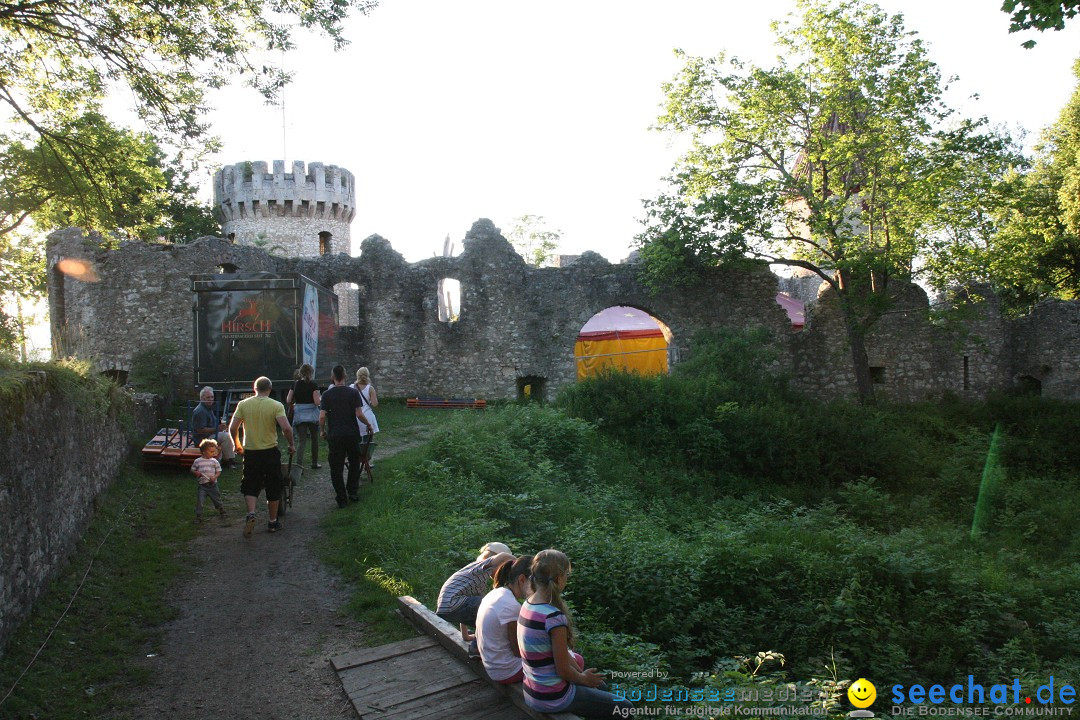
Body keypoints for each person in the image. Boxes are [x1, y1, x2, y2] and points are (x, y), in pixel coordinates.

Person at [518, 549, 633, 718]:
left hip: (532, 690)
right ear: (559, 578)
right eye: (566, 575)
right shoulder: (553, 617)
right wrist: (584, 679)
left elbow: (559, 654)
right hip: (553, 697)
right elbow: (563, 670)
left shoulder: (527, 604)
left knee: (600, 686)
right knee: (625, 708)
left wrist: (581, 674)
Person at [228, 376, 294, 537]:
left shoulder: (243, 404)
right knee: (274, 485)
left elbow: (232, 427)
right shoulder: (276, 405)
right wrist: (291, 444)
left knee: (250, 484)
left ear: (254, 389)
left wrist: (236, 443)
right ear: (270, 389)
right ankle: (272, 522)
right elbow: (286, 428)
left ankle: (251, 513)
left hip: (251, 452)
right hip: (270, 451)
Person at [436, 542, 515, 647]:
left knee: (482, 609)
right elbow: (503, 556)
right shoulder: (482, 565)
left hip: (446, 608)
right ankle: (476, 647)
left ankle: (477, 642)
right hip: (452, 603)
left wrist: (466, 636)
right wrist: (519, 563)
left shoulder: (476, 578)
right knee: (488, 608)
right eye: (503, 568)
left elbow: (465, 610)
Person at [319, 364, 373, 508]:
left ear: (333, 377)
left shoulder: (326, 395)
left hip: (335, 434)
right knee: (354, 463)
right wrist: (368, 424)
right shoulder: (352, 393)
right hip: (351, 433)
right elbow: (359, 414)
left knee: (336, 467)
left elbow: (322, 416)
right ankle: (353, 492)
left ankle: (341, 498)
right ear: (345, 377)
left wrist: (322, 431)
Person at [476, 555, 534, 684]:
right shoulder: (511, 606)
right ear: (522, 579)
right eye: (534, 583)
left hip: (492, 665)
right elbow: (518, 651)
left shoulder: (495, 593)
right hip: (507, 671)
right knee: (575, 660)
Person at [286, 363, 322, 470]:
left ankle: (299, 465)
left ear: (300, 373)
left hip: (300, 414)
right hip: (312, 414)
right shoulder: (313, 385)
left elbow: (288, 400)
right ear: (311, 373)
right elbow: (316, 402)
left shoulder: (295, 384)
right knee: (314, 439)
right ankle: (314, 463)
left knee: (302, 441)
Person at [192, 386, 235, 467]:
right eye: (208, 397)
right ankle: (228, 460)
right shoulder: (200, 411)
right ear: (201, 398)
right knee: (226, 436)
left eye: (212, 397)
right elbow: (200, 430)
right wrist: (217, 429)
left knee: (225, 434)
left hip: (209, 435)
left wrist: (220, 428)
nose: (211, 399)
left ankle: (229, 459)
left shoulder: (207, 408)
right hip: (202, 439)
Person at [190, 438, 226, 523]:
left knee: (216, 499)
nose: (213, 453)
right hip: (202, 486)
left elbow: (219, 471)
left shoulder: (214, 461)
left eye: (214, 451)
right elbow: (192, 470)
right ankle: (198, 516)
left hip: (212, 485)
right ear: (203, 451)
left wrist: (215, 477)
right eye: (211, 452)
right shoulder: (198, 461)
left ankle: (222, 510)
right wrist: (196, 473)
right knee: (200, 501)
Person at [351, 366, 379, 439]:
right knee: (367, 443)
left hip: (355, 417)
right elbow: (374, 404)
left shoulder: (351, 387)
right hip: (367, 417)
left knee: (356, 442)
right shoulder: (370, 388)